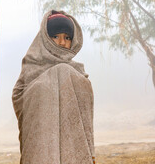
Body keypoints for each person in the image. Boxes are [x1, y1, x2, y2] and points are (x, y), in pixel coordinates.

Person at [12, 10, 95, 164]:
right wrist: (57, 76)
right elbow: (19, 98)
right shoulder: (31, 67)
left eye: (67, 37)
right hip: (41, 152)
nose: (62, 42)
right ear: (45, 39)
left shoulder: (78, 73)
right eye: (55, 36)